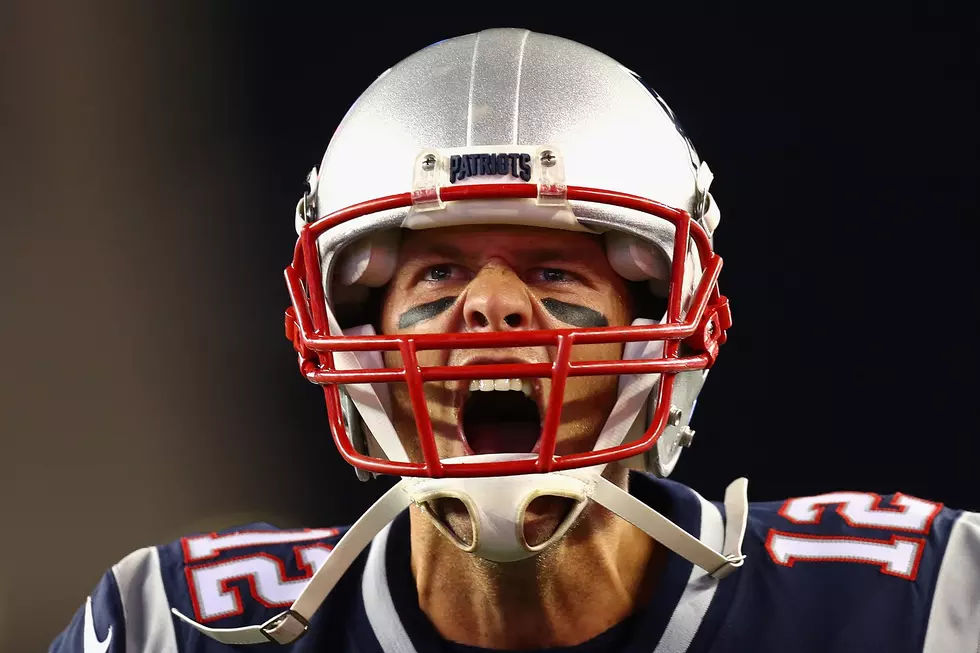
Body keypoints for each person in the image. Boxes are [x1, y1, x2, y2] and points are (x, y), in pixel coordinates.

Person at [50, 28, 980, 653]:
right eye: (438, 275)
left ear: (659, 317)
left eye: (554, 273)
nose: (490, 312)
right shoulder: (165, 622)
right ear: (356, 331)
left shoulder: (913, 604)